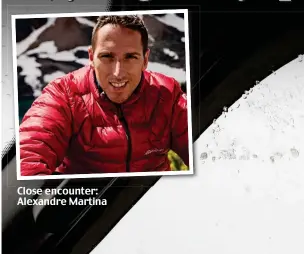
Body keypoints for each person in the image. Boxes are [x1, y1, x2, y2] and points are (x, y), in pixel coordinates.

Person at [17, 14, 190, 177]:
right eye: (107, 56)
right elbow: (28, 155)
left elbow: (204, 145)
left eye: (130, 57)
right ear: (91, 57)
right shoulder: (63, 94)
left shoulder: (167, 93)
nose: (117, 73)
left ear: (145, 60)